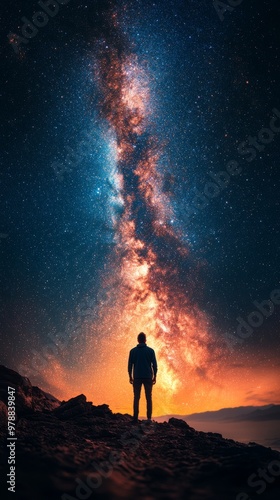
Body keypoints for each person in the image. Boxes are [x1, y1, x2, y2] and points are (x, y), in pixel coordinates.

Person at [128, 332, 157, 423]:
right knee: (149, 398)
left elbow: (130, 365)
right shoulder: (151, 351)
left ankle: (135, 418)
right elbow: (154, 365)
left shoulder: (133, 351)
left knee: (136, 398)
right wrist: (155, 376)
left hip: (137, 377)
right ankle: (148, 418)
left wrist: (130, 376)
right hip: (148, 377)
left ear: (138, 340)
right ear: (145, 340)